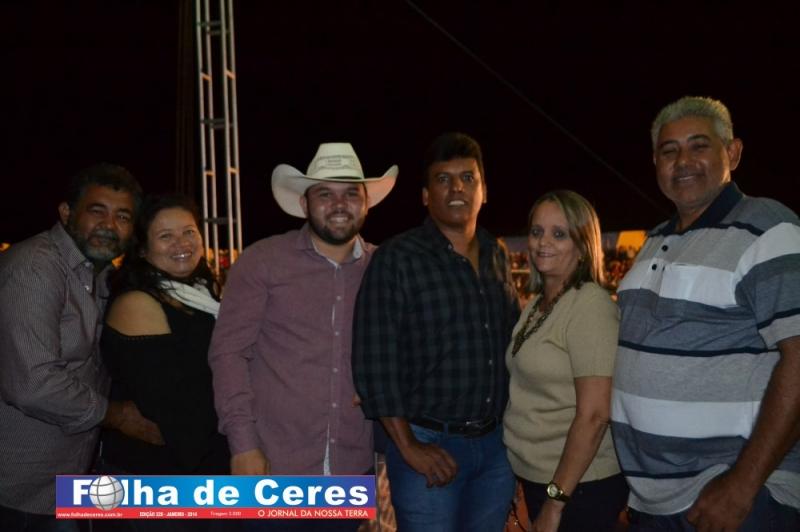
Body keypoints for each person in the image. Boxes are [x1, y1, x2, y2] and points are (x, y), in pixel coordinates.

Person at [611, 96, 800, 531]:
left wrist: (743, 485)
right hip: (655, 503)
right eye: (669, 150)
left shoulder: (769, 229)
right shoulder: (654, 240)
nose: (683, 161)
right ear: (655, 162)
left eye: (699, 146)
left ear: (732, 152)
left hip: (732, 497)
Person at [208, 142, 397, 532]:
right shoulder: (263, 261)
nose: (339, 204)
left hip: (351, 469)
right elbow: (228, 354)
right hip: (271, 467)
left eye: (351, 193)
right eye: (325, 194)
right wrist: (243, 444)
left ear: (366, 204)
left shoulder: (385, 268)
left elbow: (407, 349)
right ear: (304, 203)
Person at [352, 132, 520, 532]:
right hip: (428, 445)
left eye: (467, 178)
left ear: (483, 191)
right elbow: (374, 362)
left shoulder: (496, 253)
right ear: (426, 196)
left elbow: (513, 348)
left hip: (496, 448)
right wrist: (409, 446)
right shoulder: (397, 258)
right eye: (443, 179)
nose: (457, 187)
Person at [0, 163, 161, 531]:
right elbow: (32, 384)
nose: (109, 225)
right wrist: (118, 416)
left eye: (123, 216)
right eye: (97, 211)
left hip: (65, 481)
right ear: (66, 212)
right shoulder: (35, 268)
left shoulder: (97, 275)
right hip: (18, 488)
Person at [95, 194, 233, 531]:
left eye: (188, 232)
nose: (181, 243)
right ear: (142, 249)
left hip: (198, 472)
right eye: (165, 236)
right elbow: (176, 404)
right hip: (153, 482)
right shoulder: (137, 302)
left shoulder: (201, 294)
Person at [503, 190, 627, 532]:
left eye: (559, 234)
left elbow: (595, 415)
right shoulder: (537, 305)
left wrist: (555, 502)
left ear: (583, 245)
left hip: (578, 488)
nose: (543, 242)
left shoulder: (589, 306)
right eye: (537, 231)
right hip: (542, 480)